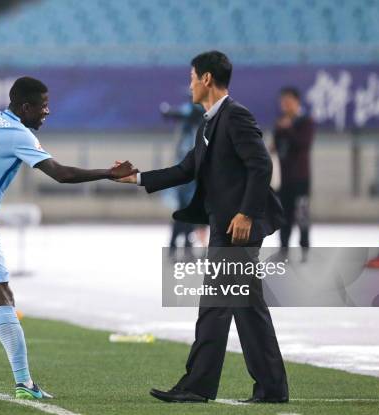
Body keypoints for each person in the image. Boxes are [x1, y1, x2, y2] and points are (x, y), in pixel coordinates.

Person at [0, 76, 137, 400]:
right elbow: (61, 174)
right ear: (25, 107)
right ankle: (25, 384)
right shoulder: (18, 134)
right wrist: (108, 173)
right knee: (3, 296)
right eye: (43, 107)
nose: (47, 112)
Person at [115, 51, 288, 404]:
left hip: (238, 228)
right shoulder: (208, 122)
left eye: (193, 76)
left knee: (220, 305)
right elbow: (184, 170)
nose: (190, 82)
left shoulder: (236, 116)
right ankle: (268, 388)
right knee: (243, 308)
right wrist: (136, 178)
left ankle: (198, 386)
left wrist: (246, 214)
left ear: (207, 79)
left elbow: (261, 166)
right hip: (224, 226)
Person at [273, 87, 314, 260]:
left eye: (288, 101)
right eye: (283, 102)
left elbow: (303, 143)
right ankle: (284, 250)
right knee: (284, 215)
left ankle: (304, 249)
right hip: (284, 177)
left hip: (301, 177)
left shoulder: (306, 121)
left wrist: (289, 128)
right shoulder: (280, 122)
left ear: (297, 102)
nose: (285, 105)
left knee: (302, 214)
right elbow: (277, 145)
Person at [160, 99, 205, 255]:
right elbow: (180, 113)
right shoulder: (190, 124)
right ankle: (179, 244)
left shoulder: (199, 120)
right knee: (184, 207)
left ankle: (182, 243)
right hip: (186, 171)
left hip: (193, 170)